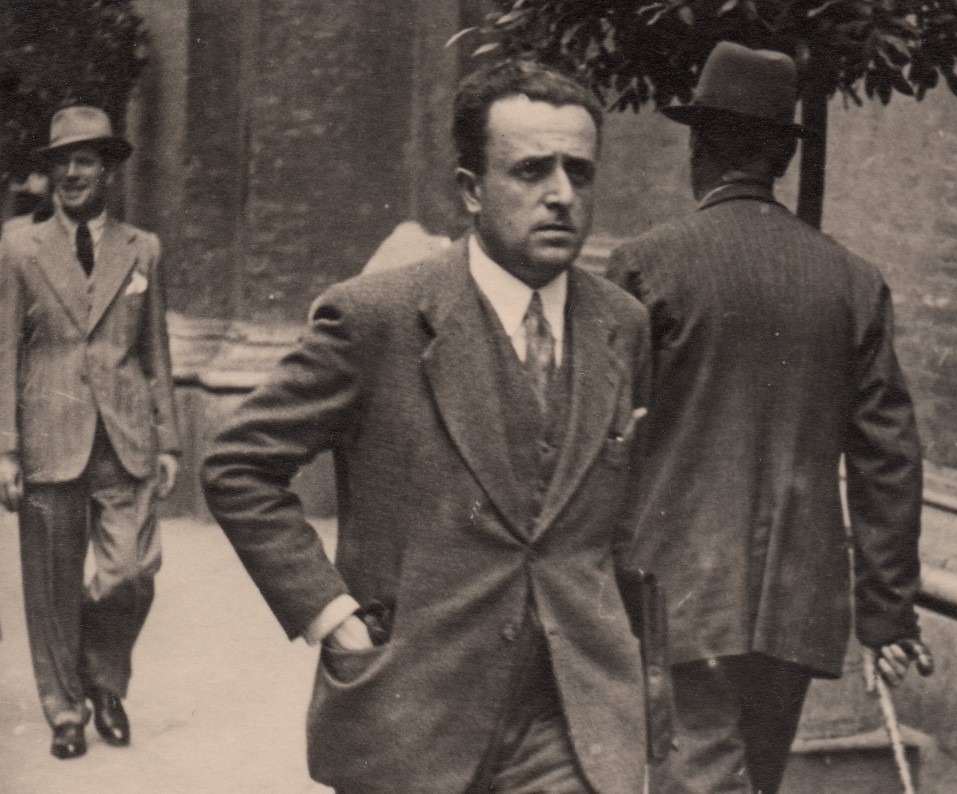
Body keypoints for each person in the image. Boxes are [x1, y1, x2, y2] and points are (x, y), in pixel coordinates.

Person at [201, 59, 651, 794]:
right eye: (532, 170)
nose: (562, 195)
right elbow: (238, 465)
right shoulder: (377, 317)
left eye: (580, 171)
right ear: (472, 190)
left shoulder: (621, 324)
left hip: (571, 715)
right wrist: (329, 612)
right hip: (415, 710)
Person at [607, 42, 934, 794]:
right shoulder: (853, 281)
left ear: (699, 147)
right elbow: (890, 456)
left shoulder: (644, 267)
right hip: (798, 600)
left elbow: (600, 437)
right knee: (752, 776)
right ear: (781, 160)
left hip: (675, 595)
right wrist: (887, 613)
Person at [0, 105, 181, 759]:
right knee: (51, 586)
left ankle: (105, 680)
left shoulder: (143, 249)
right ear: (49, 175)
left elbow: (156, 350)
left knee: (130, 572)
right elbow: (4, 353)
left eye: (85, 160)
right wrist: (6, 449)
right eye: (61, 162)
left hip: (125, 435)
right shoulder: (18, 246)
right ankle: (66, 711)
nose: (72, 172)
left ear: (108, 168)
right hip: (47, 432)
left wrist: (168, 439)